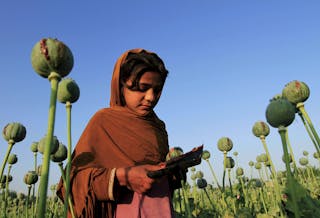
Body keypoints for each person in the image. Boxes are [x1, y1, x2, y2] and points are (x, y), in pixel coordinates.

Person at [57, 48, 184, 217]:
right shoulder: (103, 121)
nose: (151, 97)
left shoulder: (158, 127)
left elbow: (159, 181)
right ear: (121, 84)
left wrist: (173, 172)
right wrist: (122, 177)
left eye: (157, 89)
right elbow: (71, 183)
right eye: (143, 88)